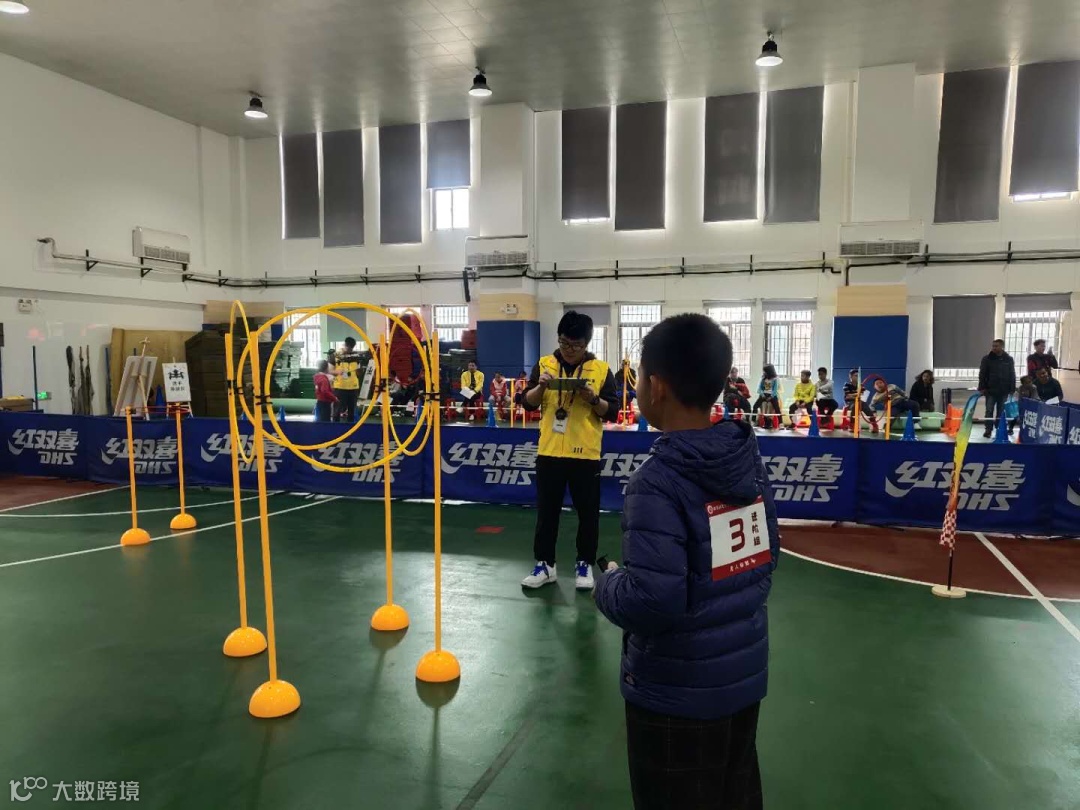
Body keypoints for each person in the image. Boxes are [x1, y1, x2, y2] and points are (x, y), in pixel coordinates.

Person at [593, 314, 779, 810]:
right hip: (742, 680)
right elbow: (767, 556)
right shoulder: (746, 459)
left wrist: (607, 583)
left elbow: (653, 601)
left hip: (674, 696)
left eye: (637, 380)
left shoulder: (655, 482)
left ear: (656, 387)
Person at [521, 311, 619, 590]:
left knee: (588, 515)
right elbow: (527, 402)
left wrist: (593, 399)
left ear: (587, 343)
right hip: (549, 452)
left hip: (585, 454)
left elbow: (612, 411)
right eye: (564, 343)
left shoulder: (601, 370)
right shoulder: (544, 364)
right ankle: (545, 565)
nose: (569, 350)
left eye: (576, 345)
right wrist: (541, 387)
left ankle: (584, 564)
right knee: (546, 513)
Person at [978, 339, 1016, 438]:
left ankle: (999, 429)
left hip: (1004, 390)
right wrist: (982, 387)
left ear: (1002, 347)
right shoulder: (986, 359)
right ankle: (988, 430)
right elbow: (982, 374)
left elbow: (1012, 374)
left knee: (1001, 412)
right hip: (990, 390)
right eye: (993, 346)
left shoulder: (1009, 359)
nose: (994, 348)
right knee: (989, 410)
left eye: (996, 346)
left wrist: (1012, 389)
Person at [332, 337, 363, 422]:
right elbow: (330, 370)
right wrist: (338, 372)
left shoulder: (356, 357)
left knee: (351, 411)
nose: (349, 349)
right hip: (340, 387)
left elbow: (359, 373)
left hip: (353, 387)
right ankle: (335, 427)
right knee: (337, 411)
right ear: (345, 345)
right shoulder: (336, 355)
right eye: (348, 347)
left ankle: (351, 427)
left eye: (351, 347)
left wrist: (360, 370)